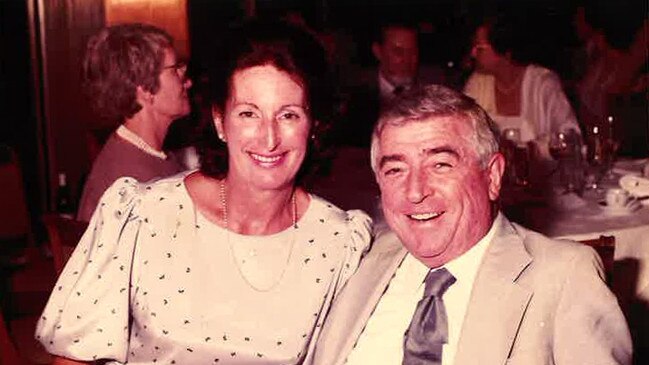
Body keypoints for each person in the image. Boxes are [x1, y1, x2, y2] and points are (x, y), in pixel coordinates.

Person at [35, 19, 371, 364]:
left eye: (288, 115)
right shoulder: (143, 214)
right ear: (219, 121)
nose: (269, 139)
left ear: (314, 125)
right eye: (248, 114)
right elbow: (73, 358)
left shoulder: (339, 242)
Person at [308, 85, 632, 365]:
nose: (416, 191)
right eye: (396, 170)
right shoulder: (356, 259)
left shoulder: (564, 276)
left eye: (440, 165)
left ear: (492, 177)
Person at [76, 23, 192, 222]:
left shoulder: (134, 152)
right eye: (175, 70)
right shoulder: (135, 183)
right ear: (146, 89)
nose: (188, 81)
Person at [463, 14, 580, 157]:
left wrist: (529, 151)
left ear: (505, 51)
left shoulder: (543, 83)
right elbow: (463, 137)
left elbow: (571, 136)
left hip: (543, 177)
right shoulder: (477, 83)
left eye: (479, 48)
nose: (473, 53)